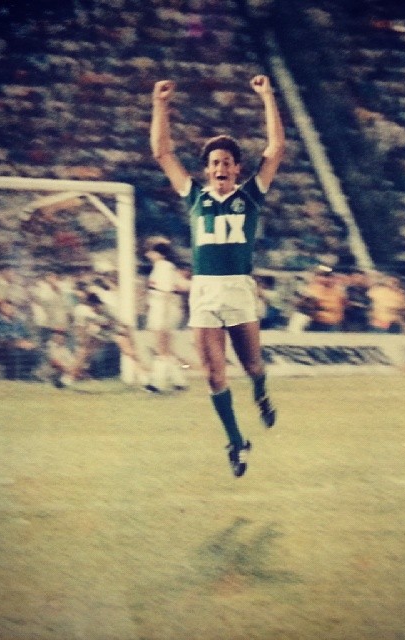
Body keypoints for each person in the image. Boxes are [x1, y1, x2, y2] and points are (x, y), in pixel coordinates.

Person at [150, 74, 284, 477]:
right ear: (207, 171)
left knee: (253, 366)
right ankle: (236, 441)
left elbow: (276, 149)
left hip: (239, 291)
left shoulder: (250, 196)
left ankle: (261, 394)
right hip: (205, 294)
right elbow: (162, 152)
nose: (220, 167)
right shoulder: (194, 197)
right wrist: (160, 104)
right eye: (214, 163)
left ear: (236, 168)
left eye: (226, 162)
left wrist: (267, 96)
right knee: (212, 373)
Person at [144, 235, 189, 392]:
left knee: (161, 348)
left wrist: (163, 316)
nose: (148, 254)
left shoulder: (163, 267)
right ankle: (179, 380)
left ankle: (157, 382)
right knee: (166, 348)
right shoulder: (165, 267)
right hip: (165, 309)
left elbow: (165, 292)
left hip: (164, 310)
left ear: (158, 253)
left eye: (151, 251)